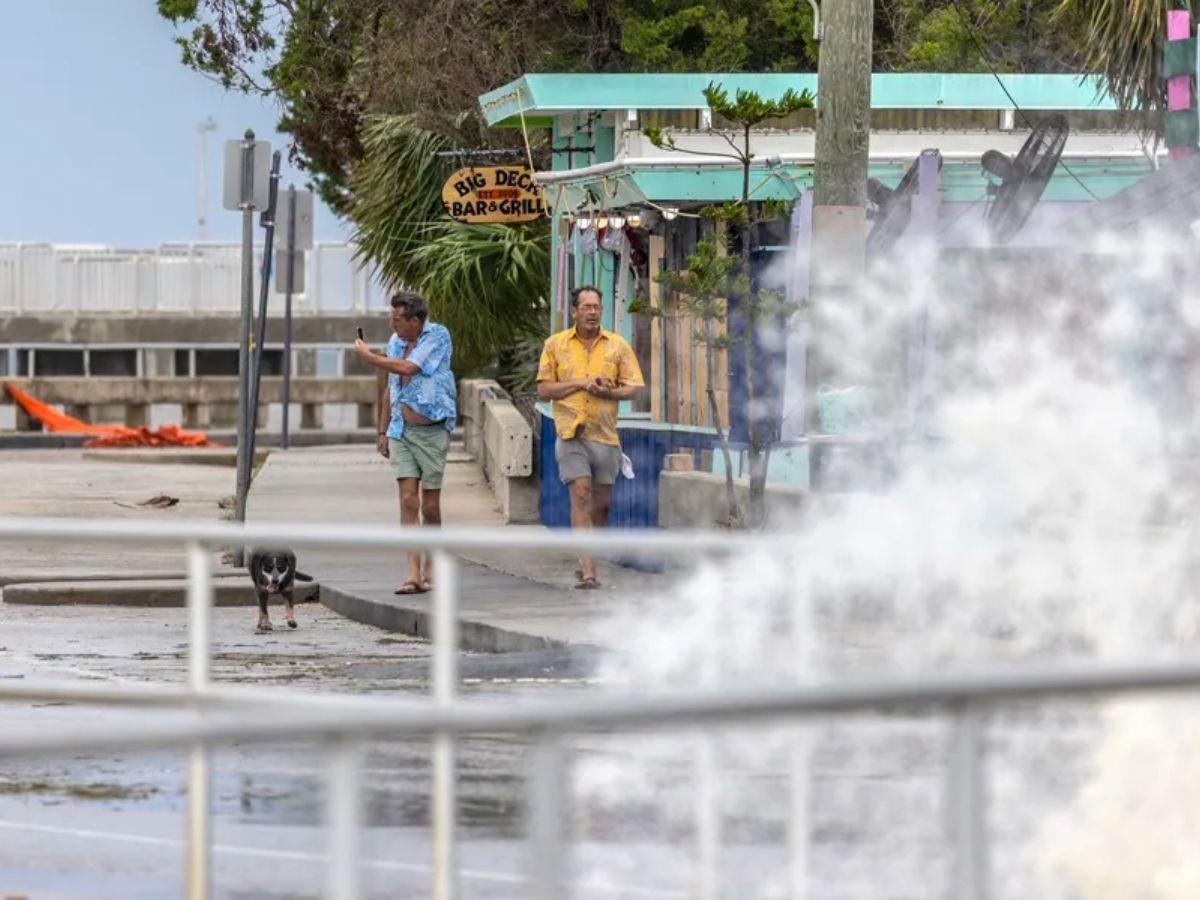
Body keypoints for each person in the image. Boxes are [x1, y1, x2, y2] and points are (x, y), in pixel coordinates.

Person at [537, 285, 644, 588]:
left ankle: (588, 553)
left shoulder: (617, 346)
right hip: (571, 434)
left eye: (596, 307)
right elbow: (544, 389)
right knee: (580, 493)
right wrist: (582, 384)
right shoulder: (555, 345)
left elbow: (634, 387)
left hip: (606, 435)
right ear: (574, 311)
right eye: (586, 307)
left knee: (601, 505)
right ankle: (589, 570)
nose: (593, 312)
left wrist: (605, 391)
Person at [354, 291, 456, 594]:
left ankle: (431, 565)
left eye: (397, 320)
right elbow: (391, 387)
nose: (392, 325)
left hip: (433, 431)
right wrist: (382, 431)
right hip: (401, 430)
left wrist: (369, 357)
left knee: (431, 505)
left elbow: (409, 368)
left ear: (414, 321)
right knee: (408, 501)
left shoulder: (437, 336)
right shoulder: (395, 342)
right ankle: (413, 573)